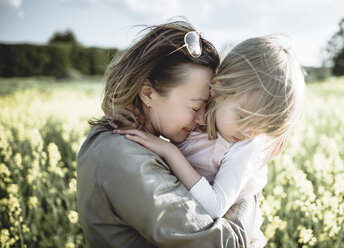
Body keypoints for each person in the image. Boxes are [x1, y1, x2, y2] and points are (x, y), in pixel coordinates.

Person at [77, 20, 260, 248]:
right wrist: (248, 186)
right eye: (195, 107)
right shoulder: (125, 158)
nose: (203, 119)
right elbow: (221, 244)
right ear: (148, 93)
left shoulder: (127, 142)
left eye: (209, 107)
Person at [114, 36, 306, 247]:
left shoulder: (243, 147)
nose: (247, 133)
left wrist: (170, 151)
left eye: (260, 128)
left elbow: (215, 208)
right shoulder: (204, 120)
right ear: (218, 88)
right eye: (242, 118)